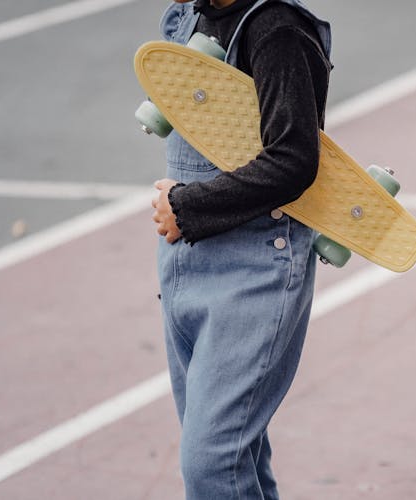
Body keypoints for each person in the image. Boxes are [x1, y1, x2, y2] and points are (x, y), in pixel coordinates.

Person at [149, 0, 332, 498]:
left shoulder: (276, 31)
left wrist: (186, 206)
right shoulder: (186, 16)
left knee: (213, 463)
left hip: (254, 269)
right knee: (239, 458)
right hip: (185, 264)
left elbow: (293, 158)